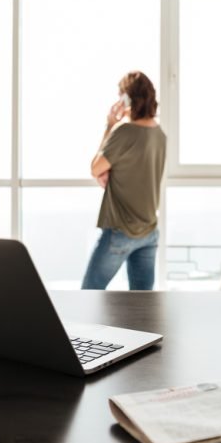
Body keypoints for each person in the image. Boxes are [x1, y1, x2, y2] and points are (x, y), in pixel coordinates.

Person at [81, 71, 167, 290]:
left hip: (121, 231)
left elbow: (95, 167)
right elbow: (135, 168)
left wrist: (109, 126)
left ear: (127, 98)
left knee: (89, 293)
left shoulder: (124, 132)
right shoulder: (160, 135)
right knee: (142, 307)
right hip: (149, 231)